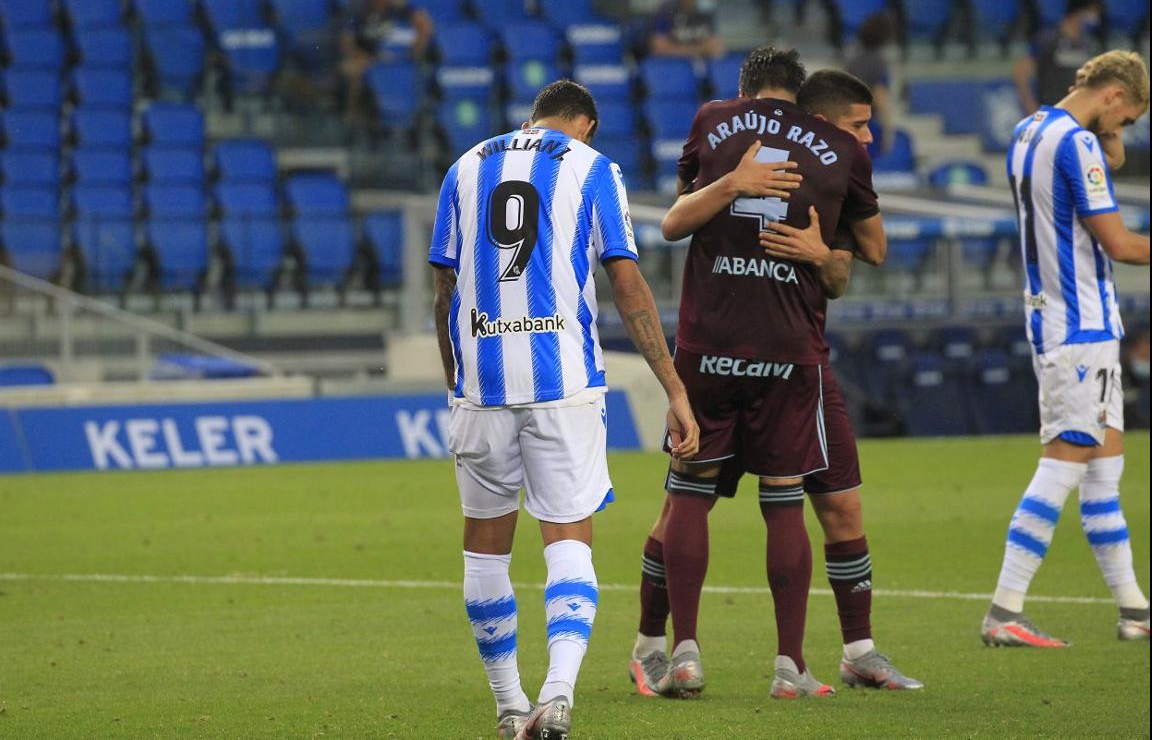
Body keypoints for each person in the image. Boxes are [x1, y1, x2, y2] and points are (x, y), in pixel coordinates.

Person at [625, 46, 916, 702]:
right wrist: (820, 252)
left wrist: (817, 250)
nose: (867, 135)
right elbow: (872, 251)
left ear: (745, 87)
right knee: (781, 495)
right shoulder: (838, 150)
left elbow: (677, 217)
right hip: (789, 351)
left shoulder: (712, 123)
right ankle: (784, 662)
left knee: (693, 495)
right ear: (815, 106)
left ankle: (687, 649)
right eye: (861, 123)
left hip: (713, 344)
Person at [429, 79, 700, 740]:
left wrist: (455, 383)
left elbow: (443, 288)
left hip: (481, 389)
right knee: (567, 541)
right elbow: (627, 283)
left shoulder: (463, 166)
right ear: (586, 123)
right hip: (563, 385)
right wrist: (672, 386)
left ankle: (508, 704)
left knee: (485, 550)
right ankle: (558, 695)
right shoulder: (592, 167)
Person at [981, 50, 1151, 647]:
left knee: (1105, 469)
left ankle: (1135, 608)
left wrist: (1113, 143)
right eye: (1126, 118)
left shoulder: (1030, 130)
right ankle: (1005, 609)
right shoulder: (1076, 144)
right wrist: (1107, 145)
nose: (1121, 130)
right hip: (1078, 325)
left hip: (1063, 320)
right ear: (1111, 97)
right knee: (1062, 464)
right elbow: (1121, 244)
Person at [339, 0, 433, 119]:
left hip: (386, 55)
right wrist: (360, 56)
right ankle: (350, 116)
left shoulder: (399, 7)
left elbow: (425, 25)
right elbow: (346, 41)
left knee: (411, 72)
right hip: (360, 55)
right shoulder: (360, 5)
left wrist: (413, 51)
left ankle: (408, 118)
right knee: (353, 71)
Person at [1013, 0, 1104, 116]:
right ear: (1080, 12)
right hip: (1051, 115)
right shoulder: (1048, 40)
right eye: (1093, 12)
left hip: (1078, 116)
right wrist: (1031, 108)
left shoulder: (1089, 45)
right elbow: (1020, 72)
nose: (1096, 17)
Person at [845, 12, 897, 155]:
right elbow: (879, 96)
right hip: (869, 123)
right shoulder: (879, 63)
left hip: (849, 122)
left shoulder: (853, 61)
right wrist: (888, 129)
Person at [648, 0, 726, 61]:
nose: (710, 0)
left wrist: (711, 48)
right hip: (669, 67)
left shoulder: (707, 13)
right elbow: (659, 48)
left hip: (697, 68)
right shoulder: (667, 9)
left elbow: (715, 46)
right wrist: (700, 49)